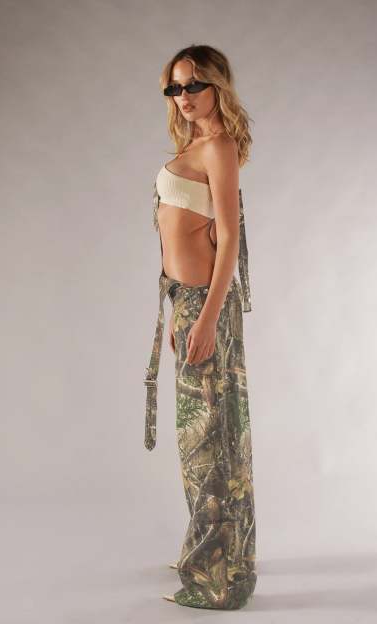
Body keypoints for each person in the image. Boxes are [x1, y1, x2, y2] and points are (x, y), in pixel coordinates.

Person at [144, 44, 257, 610]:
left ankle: (218, 579)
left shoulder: (219, 146)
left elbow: (228, 239)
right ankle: (220, 557)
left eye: (193, 85)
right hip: (186, 303)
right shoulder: (193, 144)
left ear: (218, 86)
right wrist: (180, 313)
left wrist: (207, 318)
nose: (183, 96)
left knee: (208, 442)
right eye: (175, 87)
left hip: (205, 306)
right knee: (204, 439)